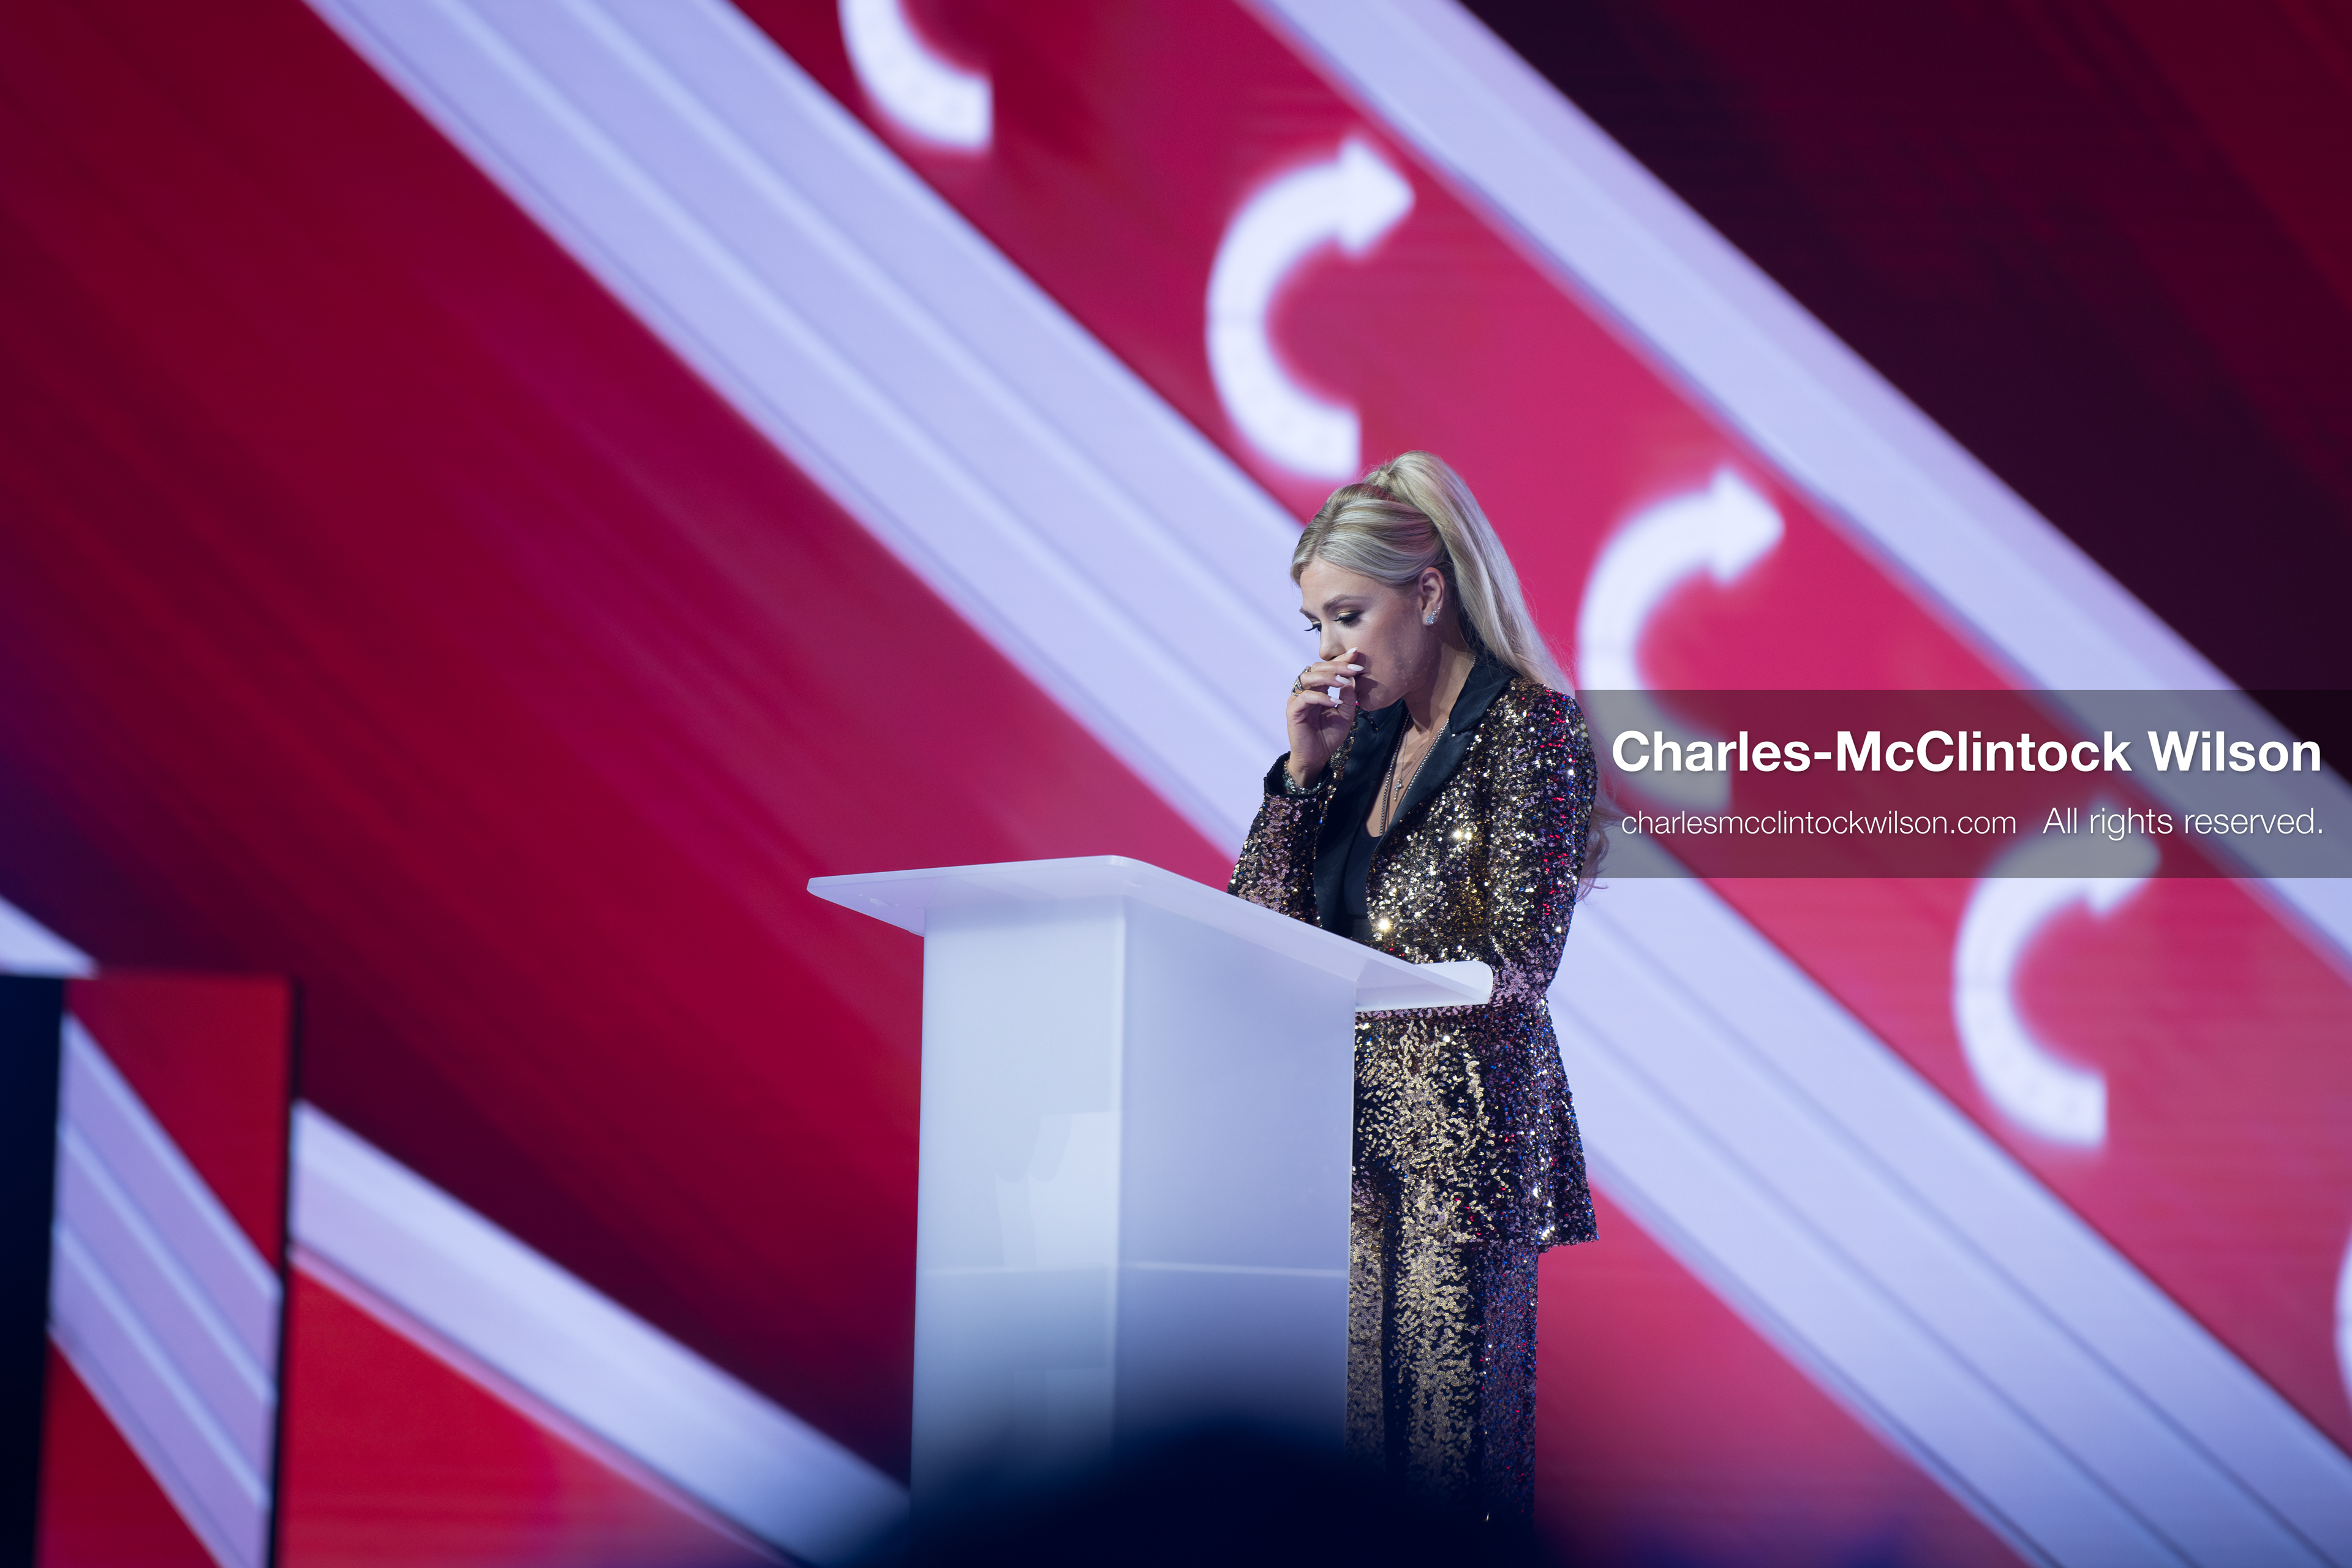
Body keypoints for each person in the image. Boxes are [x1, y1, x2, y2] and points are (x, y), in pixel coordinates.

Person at [1228, 451, 1597, 1520]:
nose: (1333, 651)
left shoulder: (1532, 728)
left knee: (1447, 1481)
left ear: (1428, 591)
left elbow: (1521, 959)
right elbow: (1258, 934)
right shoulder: (1351, 745)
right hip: (1336, 1153)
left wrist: (1364, 980)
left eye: (1350, 614)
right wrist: (1299, 777)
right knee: (1344, 1484)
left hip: (1462, 1148)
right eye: (1318, 628)